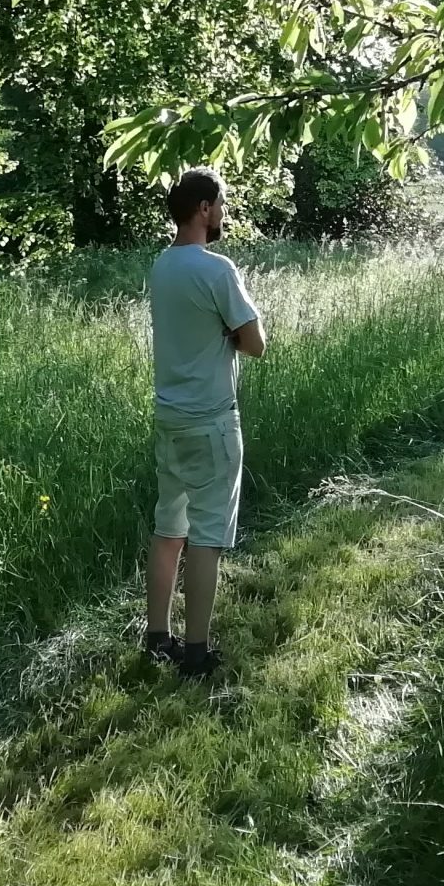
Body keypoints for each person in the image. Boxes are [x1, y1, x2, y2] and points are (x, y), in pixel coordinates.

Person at [142, 166, 264, 678]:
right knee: (207, 538)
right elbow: (255, 344)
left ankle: (157, 635)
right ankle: (196, 652)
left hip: (168, 418)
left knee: (169, 529)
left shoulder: (160, 267)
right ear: (203, 209)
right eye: (222, 203)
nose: (225, 212)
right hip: (212, 422)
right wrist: (228, 334)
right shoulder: (218, 270)